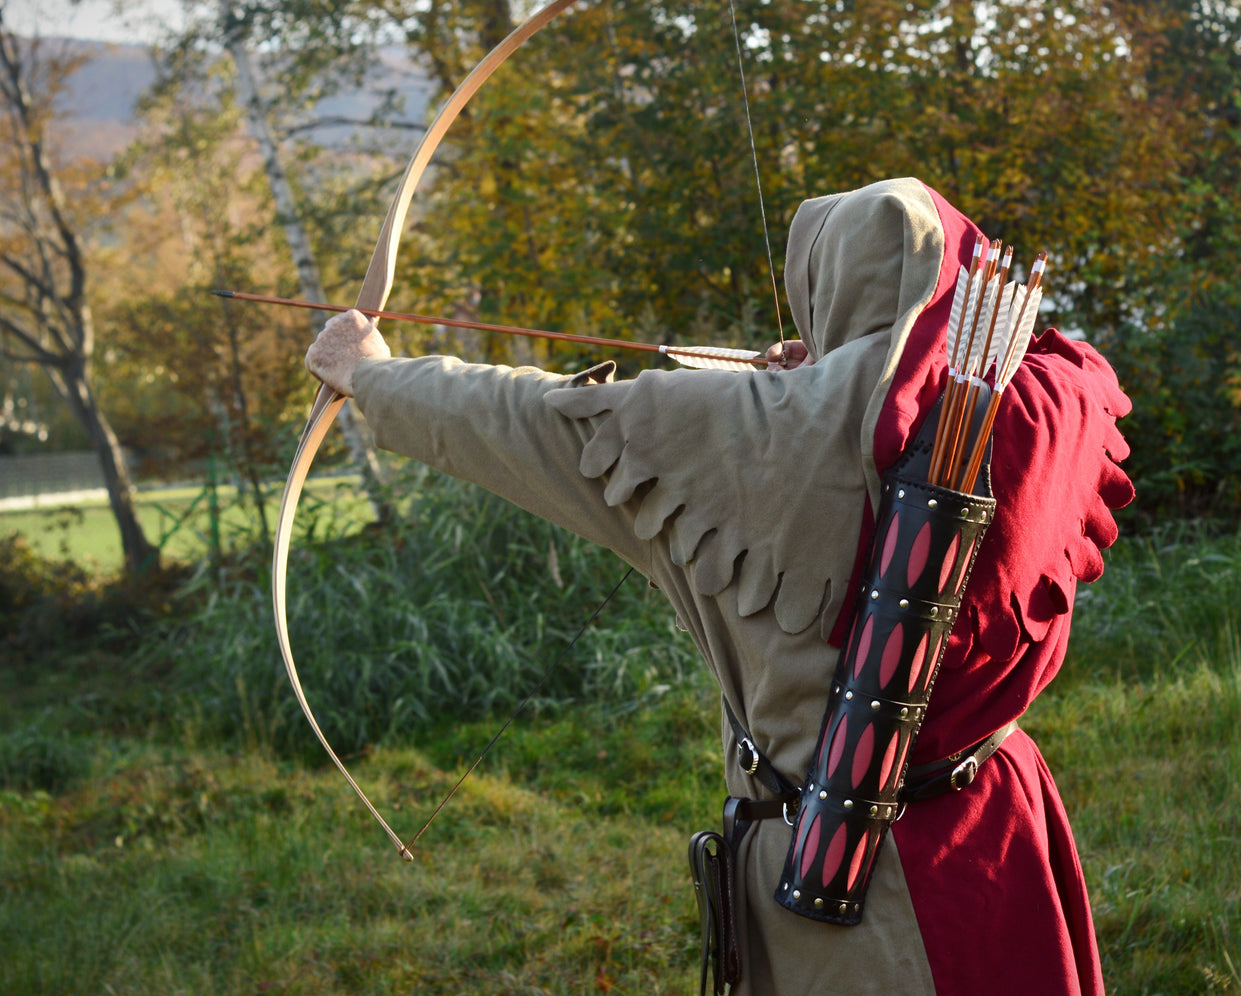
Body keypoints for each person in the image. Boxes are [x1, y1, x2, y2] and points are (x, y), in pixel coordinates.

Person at [306, 177, 1134, 995]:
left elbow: (531, 418)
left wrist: (371, 374)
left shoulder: (751, 429)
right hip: (995, 828)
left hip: (849, 877)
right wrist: (854, 368)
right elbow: (934, 387)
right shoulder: (1037, 402)